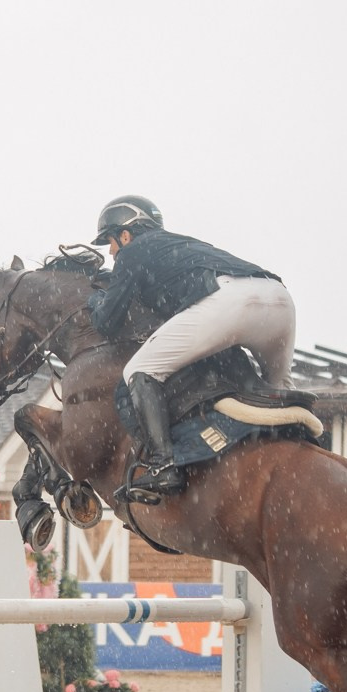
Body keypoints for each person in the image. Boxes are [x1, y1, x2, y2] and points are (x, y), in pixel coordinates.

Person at [85, 195, 296, 498]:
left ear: (126, 234)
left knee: (140, 370)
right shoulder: (181, 243)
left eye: (111, 242)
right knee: (279, 394)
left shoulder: (132, 254)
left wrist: (95, 300)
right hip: (279, 300)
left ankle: (163, 466)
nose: (112, 252)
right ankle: (295, 448)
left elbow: (106, 322)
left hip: (231, 303)